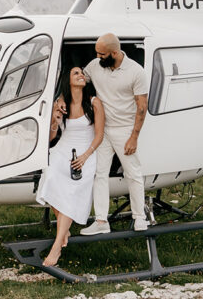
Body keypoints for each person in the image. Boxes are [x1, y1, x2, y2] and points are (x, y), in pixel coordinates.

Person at [78, 33, 149, 234]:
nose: (98, 56)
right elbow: (80, 79)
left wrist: (134, 137)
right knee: (99, 173)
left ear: (115, 52)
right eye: (97, 53)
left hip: (125, 130)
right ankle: (101, 221)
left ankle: (139, 218)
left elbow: (142, 106)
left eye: (102, 54)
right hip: (102, 130)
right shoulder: (95, 65)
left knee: (133, 173)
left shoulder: (136, 72)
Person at [36, 66, 104, 266]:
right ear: (68, 80)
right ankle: (63, 230)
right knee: (50, 176)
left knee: (72, 189)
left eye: (82, 73)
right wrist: (55, 121)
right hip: (63, 149)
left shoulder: (94, 103)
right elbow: (51, 137)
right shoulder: (60, 103)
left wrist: (85, 156)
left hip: (86, 151)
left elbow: (99, 135)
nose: (81, 75)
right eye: (76, 73)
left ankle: (57, 247)